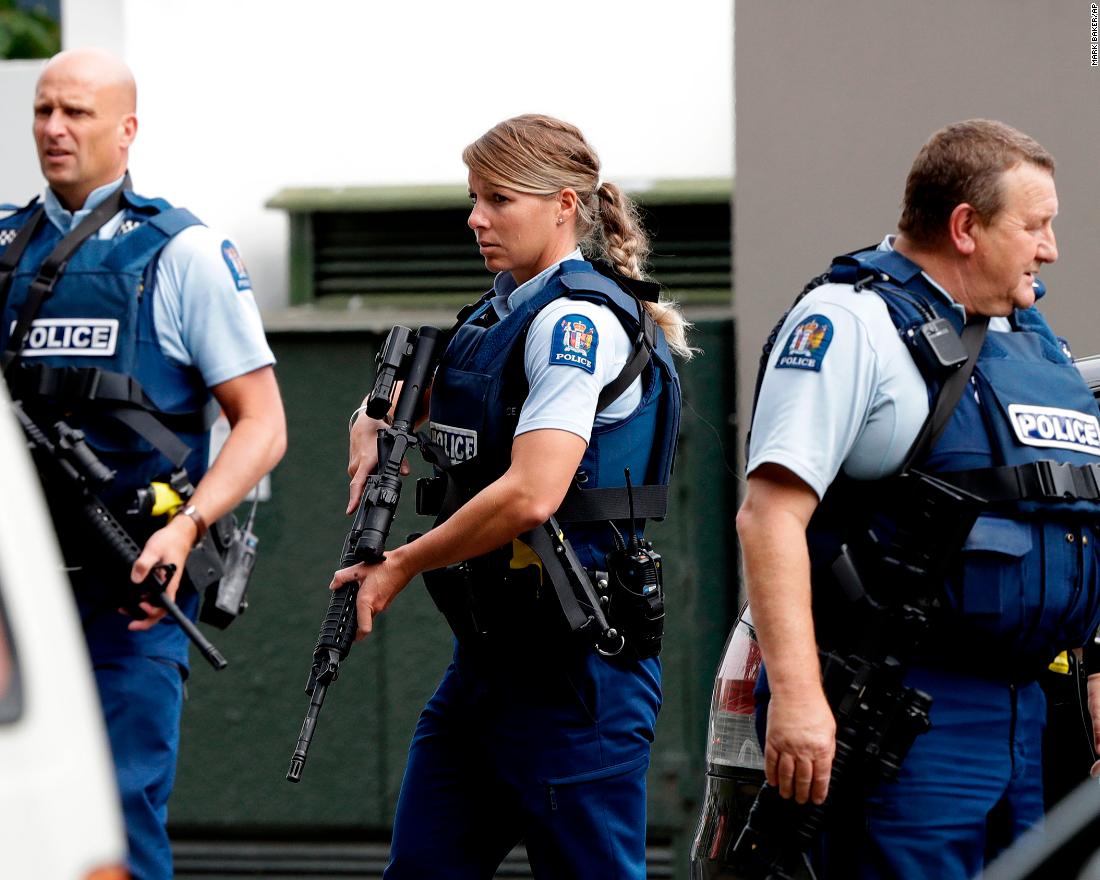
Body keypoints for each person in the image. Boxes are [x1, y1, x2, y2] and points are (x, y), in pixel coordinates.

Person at [739, 118, 1100, 878]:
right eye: (1035, 226)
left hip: (1026, 713)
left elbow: (1073, 525)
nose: (1051, 249)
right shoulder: (851, 323)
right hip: (904, 713)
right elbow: (770, 515)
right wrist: (800, 700)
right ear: (966, 227)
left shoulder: (1037, 346)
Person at [335, 114, 690, 878]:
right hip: (486, 670)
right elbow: (433, 403)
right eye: (473, 197)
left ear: (564, 205)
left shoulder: (575, 322)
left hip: (576, 678)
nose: (475, 218)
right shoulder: (500, 313)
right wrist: (370, 417)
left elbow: (532, 493)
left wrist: (398, 564)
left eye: (498, 198)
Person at [0, 48, 286, 880]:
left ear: (126, 129)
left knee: (116, 827)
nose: (54, 128)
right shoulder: (5, 247)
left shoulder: (182, 252)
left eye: (76, 112)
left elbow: (262, 425)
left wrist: (191, 525)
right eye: (44, 110)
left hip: (132, 588)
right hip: (19, 600)